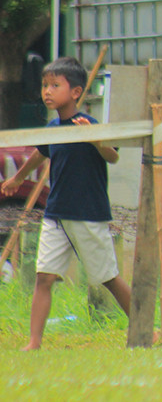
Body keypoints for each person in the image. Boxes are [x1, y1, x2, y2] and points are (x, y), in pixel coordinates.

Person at [0, 57, 129, 351]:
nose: (47, 91)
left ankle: (146, 327)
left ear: (75, 92)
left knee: (108, 278)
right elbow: (39, 153)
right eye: (45, 85)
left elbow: (113, 156)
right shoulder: (53, 127)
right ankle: (34, 342)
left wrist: (94, 140)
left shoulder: (90, 124)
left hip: (87, 213)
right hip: (55, 213)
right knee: (44, 276)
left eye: (55, 85)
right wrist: (18, 179)